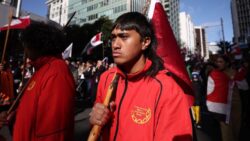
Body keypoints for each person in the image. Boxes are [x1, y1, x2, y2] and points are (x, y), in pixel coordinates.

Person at [89, 12, 193, 141]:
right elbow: (97, 126)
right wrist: (95, 119)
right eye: (113, 38)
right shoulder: (107, 78)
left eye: (124, 37)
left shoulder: (167, 89)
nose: (115, 45)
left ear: (145, 42)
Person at [0, 21, 75, 141]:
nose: (25, 51)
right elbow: (33, 110)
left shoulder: (56, 72)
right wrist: (14, 116)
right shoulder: (41, 70)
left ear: (36, 44)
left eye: (26, 46)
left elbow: (52, 133)